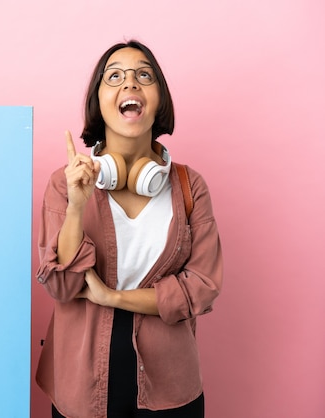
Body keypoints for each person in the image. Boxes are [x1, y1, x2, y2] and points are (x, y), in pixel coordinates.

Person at [35, 40, 223, 418]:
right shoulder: (64, 183)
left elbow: (202, 287)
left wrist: (112, 297)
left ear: (159, 100)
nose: (130, 83)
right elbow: (62, 284)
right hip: (81, 386)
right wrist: (77, 206)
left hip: (170, 388)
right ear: (99, 100)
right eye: (115, 75)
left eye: (144, 75)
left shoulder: (189, 186)